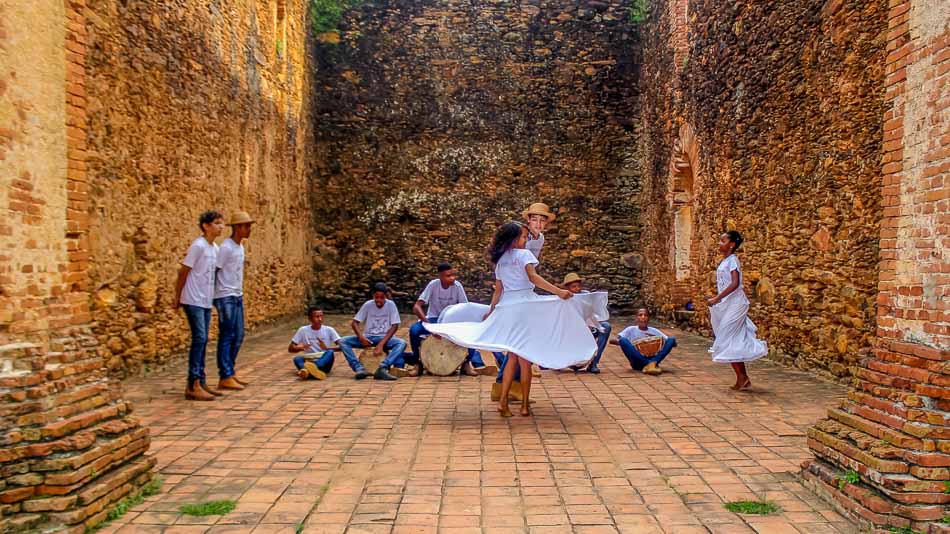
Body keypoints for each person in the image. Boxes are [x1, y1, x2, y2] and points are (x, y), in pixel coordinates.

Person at [425, 222, 608, 418]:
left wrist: (493, 311)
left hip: (508, 307)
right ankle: (523, 406)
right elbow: (533, 278)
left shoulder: (501, 259)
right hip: (525, 307)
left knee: (513, 355)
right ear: (513, 239)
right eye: (523, 237)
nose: (526, 240)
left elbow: (498, 289)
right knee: (525, 359)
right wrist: (558, 292)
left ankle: (504, 402)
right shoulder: (524, 255)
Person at [408, 263, 494, 377]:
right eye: (448, 276)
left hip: (452, 322)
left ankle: (466, 364)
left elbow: (465, 308)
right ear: (440, 276)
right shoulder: (433, 285)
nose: (452, 278)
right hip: (434, 320)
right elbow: (416, 307)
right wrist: (429, 325)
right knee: (414, 331)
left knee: (472, 331)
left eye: (453, 275)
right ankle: (417, 363)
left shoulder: (457, 286)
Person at [706, 230, 767, 390]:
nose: (720, 243)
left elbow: (735, 283)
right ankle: (742, 377)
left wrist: (716, 299)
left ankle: (742, 377)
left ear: (731, 245)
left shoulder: (733, 260)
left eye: (723, 241)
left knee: (727, 337)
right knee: (729, 339)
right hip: (727, 304)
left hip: (736, 304)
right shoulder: (725, 261)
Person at [174, 210, 225, 401]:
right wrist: (177, 296)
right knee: (200, 338)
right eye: (217, 223)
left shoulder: (215, 249)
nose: (221, 227)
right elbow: (184, 272)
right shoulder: (198, 246)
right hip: (192, 299)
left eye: (222, 223)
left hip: (205, 300)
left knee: (203, 340)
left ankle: (201, 381)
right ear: (206, 225)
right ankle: (192, 383)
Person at [212, 211, 254, 392]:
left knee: (238, 335)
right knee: (227, 335)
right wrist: (213, 295)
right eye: (246, 226)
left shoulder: (240, 247)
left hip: (237, 294)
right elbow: (215, 270)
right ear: (237, 227)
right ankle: (225, 375)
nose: (249, 229)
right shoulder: (226, 247)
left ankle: (230, 371)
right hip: (225, 295)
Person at [338, 283, 407, 381]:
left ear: (386, 296)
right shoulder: (368, 305)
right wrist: (361, 337)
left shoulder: (391, 305)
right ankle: (358, 368)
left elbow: (395, 326)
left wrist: (381, 344)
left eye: (381, 297)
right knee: (342, 341)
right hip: (368, 338)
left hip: (384, 338)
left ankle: (383, 367)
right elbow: (354, 323)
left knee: (401, 343)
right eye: (376, 297)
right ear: (373, 296)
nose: (379, 300)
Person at [562, 272, 611, 374]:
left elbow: (592, 314)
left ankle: (593, 363)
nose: (577, 289)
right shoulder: (562, 299)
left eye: (578, 286)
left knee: (606, 326)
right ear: (567, 288)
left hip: (588, 328)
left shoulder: (585, 296)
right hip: (571, 333)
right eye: (573, 287)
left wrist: (590, 324)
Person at [611, 308, 677, 375]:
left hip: (653, 358)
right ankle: (650, 364)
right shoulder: (630, 329)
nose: (643, 317)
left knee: (672, 339)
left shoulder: (654, 331)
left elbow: (673, 343)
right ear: (636, 318)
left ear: (648, 318)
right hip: (637, 362)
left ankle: (652, 363)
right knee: (623, 340)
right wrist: (630, 345)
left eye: (645, 315)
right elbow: (612, 340)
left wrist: (659, 342)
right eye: (640, 315)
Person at [288, 307, 340, 380]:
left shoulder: (329, 330)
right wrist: (301, 348)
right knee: (297, 358)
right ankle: (311, 372)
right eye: (317, 316)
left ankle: (310, 369)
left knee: (330, 352)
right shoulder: (303, 330)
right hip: (309, 359)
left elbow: (342, 346)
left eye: (321, 316)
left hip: (324, 361)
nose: (320, 319)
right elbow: (290, 348)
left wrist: (327, 348)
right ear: (310, 318)